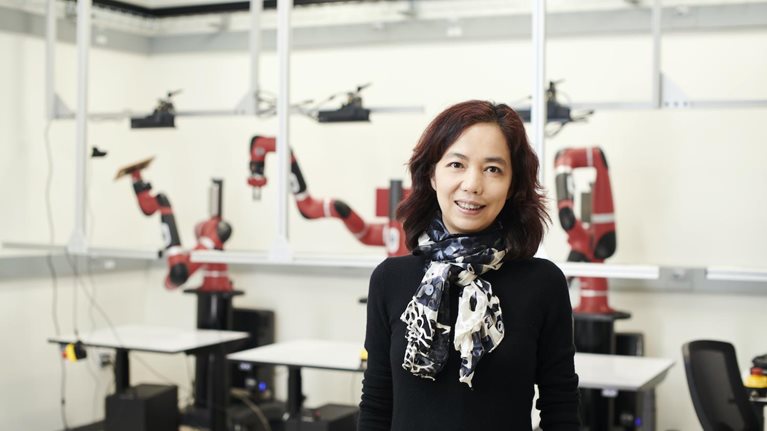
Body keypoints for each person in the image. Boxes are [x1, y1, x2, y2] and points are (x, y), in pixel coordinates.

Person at [358, 100, 579, 430]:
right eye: (456, 164)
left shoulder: (543, 283)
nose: (473, 184)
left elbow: (560, 407)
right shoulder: (390, 279)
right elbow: (377, 404)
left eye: (493, 169)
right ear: (432, 175)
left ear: (512, 185)